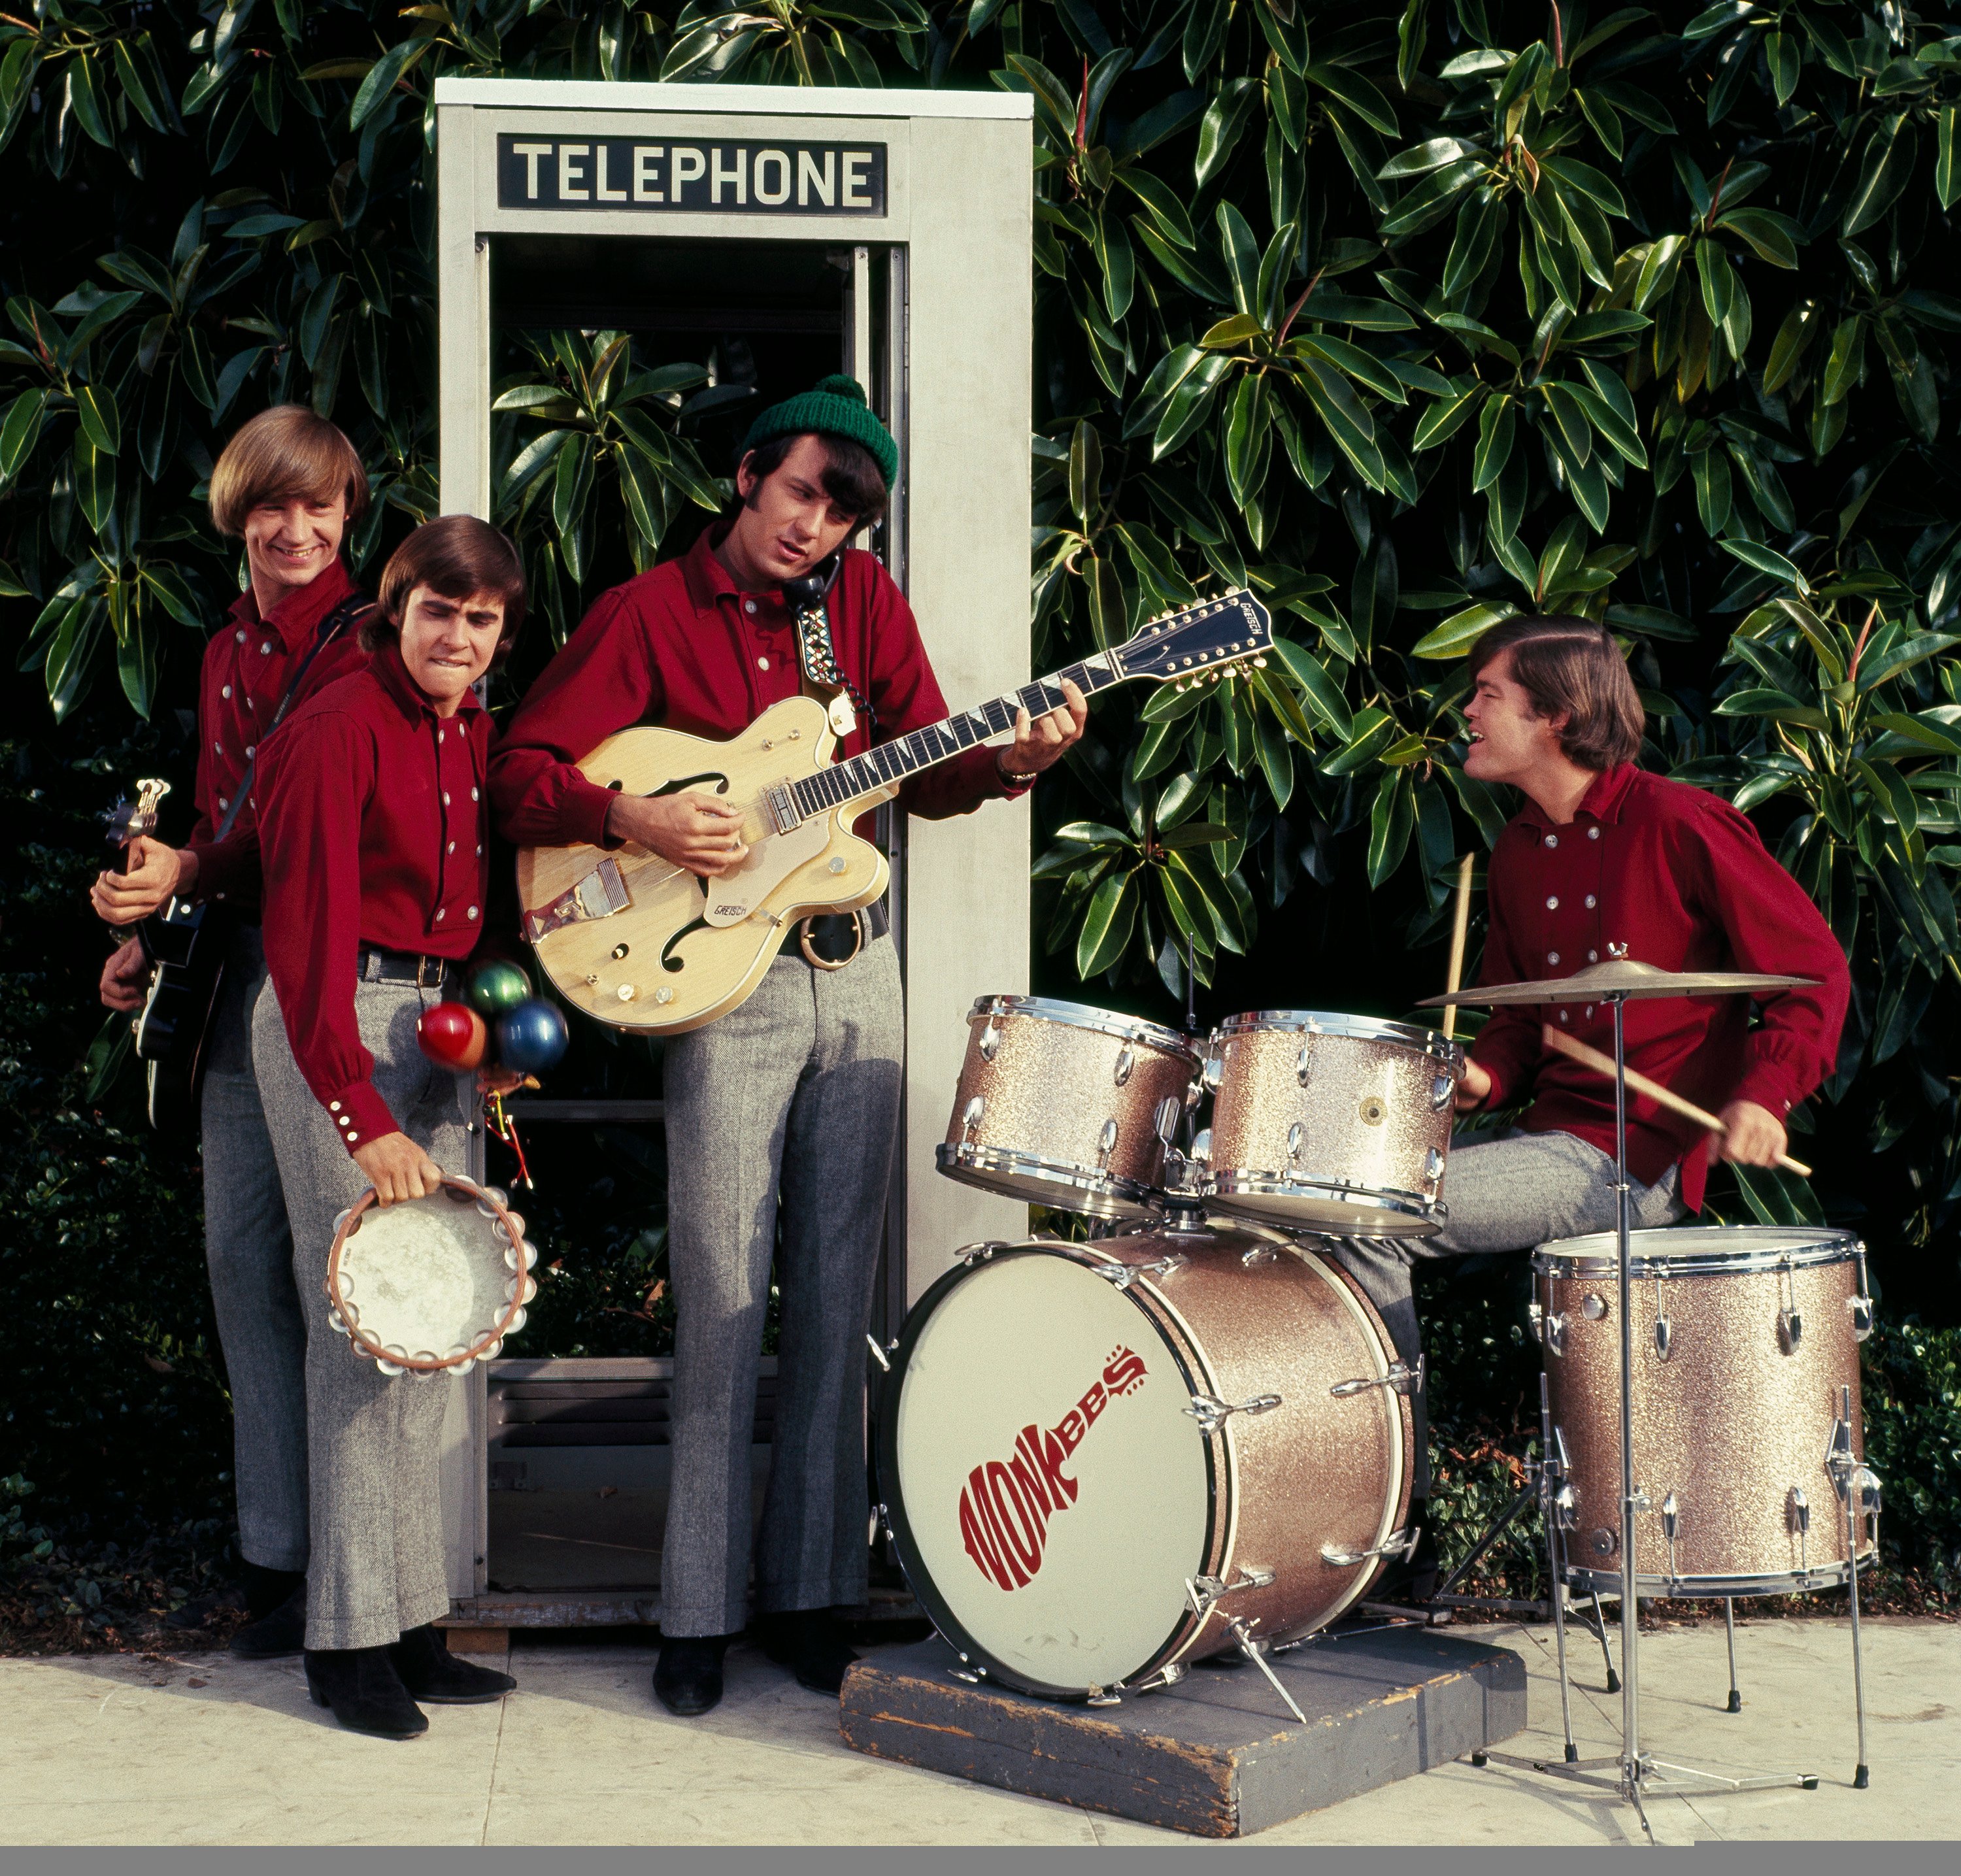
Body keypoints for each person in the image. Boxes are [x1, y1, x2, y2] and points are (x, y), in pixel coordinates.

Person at [490, 375, 1087, 1717]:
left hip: (855, 977)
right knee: (718, 1292)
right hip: (724, 989)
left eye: (847, 512)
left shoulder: (863, 612)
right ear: (751, 473)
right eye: (807, 491)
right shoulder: (647, 614)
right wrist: (636, 818)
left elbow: (923, 771)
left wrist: (1014, 759)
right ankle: (694, 1609)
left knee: (833, 1297)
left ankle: (813, 1595)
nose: (820, 526)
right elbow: (521, 773)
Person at [1332, 613, 1851, 1594]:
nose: (1468, 709)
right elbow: (1516, 1028)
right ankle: (1350, 1503)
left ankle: (1394, 1521)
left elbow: (1813, 971)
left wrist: (1765, 1092)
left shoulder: (1681, 822)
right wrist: (1474, 1078)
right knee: (1336, 1199)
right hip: (1550, 1139)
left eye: (1488, 692)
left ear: (1557, 716)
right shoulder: (1519, 848)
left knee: (1374, 1215)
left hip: (1634, 1160)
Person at [92, 405, 375, 1657]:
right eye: (276, 506)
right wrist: (150, 929)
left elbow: (286, 833)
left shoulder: (378, 640)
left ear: (349, 512)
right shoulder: (220, 654)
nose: (298, 528)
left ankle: (358, 1577)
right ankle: (278, 1559)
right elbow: (216, 821)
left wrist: (195, 861)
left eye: (320, 506)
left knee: (340, 1280)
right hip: (231, 971)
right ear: (238, 514)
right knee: (240, 1263)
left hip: (334, 970)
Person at [252, 514, 528, 1739]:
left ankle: (413, 1618)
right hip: (341, 1029)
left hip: (433, 1026)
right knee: (366, 1337)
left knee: (438, 1329)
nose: (458, 639)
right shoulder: (334, 727)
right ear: (395, 604)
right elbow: (301, 948)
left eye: (481, 622)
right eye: (438, 613)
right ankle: (347, 1640)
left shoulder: (466, 724)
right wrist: (357, 1113)